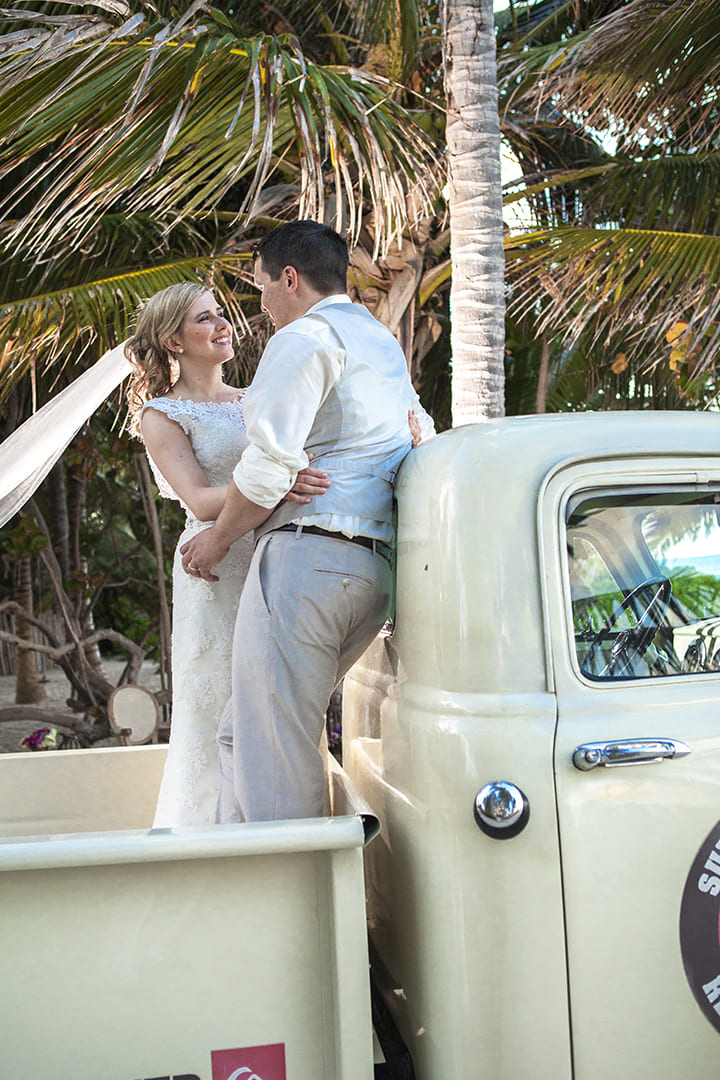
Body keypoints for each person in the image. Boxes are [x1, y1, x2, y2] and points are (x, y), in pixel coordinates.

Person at [180, 221, 435, 823]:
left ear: (289, 279)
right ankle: (242, 896)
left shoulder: (303, 338)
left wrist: (216, 543)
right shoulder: (379, 342)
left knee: (272, 753)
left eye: (262, 286)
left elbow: (269, 466)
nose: (262, 304)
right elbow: (421, 434)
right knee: (243, 738)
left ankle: (296, 911)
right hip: (372, 573)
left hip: (308, 560)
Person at [125, 281, 330, 827]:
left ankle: (270, 822)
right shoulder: (161, 416)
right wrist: (277, 483)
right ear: (173, 341)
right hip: (212, 561)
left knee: (272, 695)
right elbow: (198, 498)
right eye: (204, 319)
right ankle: (203, 830)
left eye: (220, 315)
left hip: (273, 555)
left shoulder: (254, 399)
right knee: (215, 696)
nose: (223, 325)